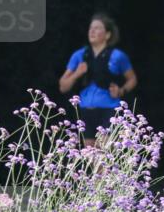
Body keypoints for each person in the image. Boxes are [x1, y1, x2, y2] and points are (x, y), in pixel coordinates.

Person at [58, 13, 137, 147]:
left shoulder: (118, 56)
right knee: (90, 154)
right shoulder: (80, 55)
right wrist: (77, 73)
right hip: (85, 109)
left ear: (107, 35)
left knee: (103, 151)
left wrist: (121, 90)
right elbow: (63, 87)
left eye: (97, 28)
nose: (92, 31)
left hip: (109, 109)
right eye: (90, 28)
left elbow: (132, 79)